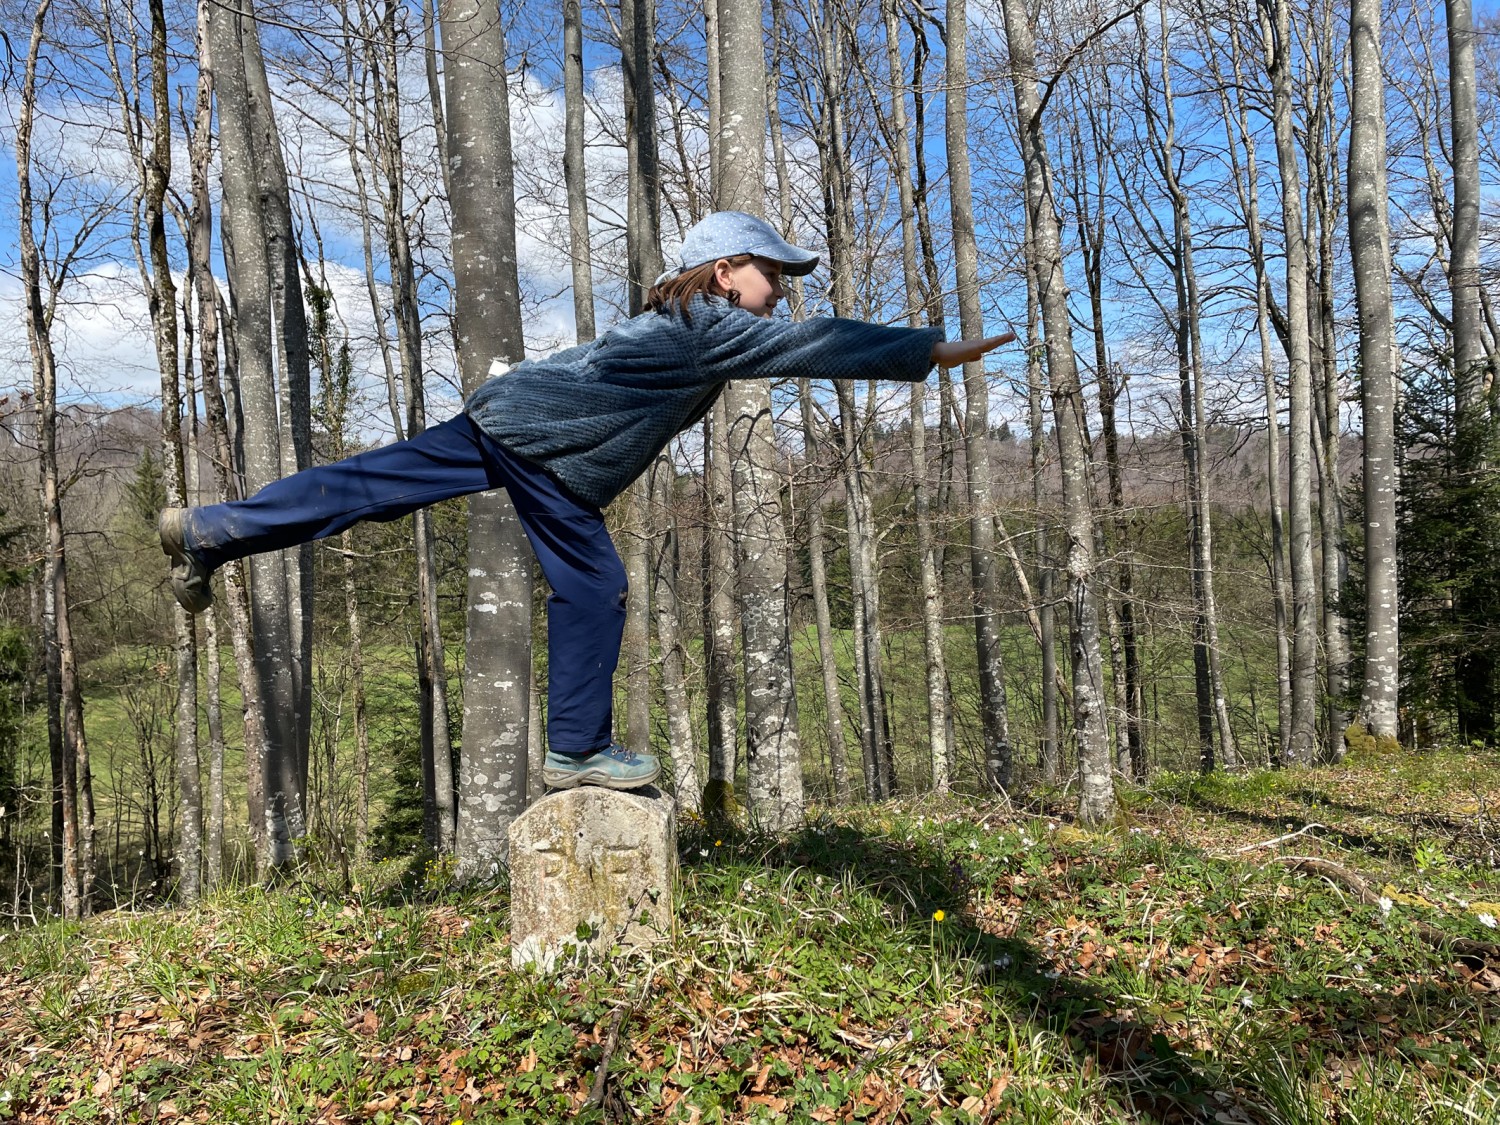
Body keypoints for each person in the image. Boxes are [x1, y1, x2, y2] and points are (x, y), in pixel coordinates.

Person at [160, 211, 1014, 793]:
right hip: (546, 450)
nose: (781, 290)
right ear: (724, 272)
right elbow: (808, 344)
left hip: (512, 419)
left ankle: (210, 529)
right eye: (773, 274)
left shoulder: (684, 321)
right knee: (595, 584)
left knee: (366, 486)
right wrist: (928, 350)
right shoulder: (713, 321)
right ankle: (574, 749)